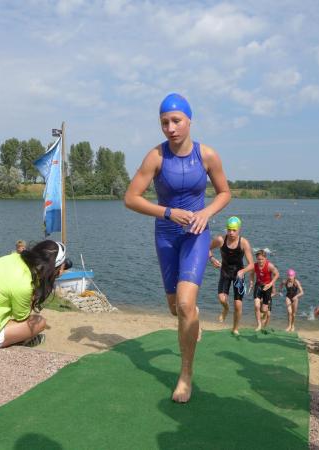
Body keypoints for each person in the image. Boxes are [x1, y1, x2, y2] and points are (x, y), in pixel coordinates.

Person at [124, 93, 231, 403]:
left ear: (189, 120)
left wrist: (206, 213)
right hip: (167, 235)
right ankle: (191, 315)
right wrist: (168, 212)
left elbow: (224, 193)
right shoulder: (156, 157)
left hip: (196, 235)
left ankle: (185, 375)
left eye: (176, 121)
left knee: (184, 304)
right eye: (164, 123)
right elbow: (131, 198)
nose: (170, 128)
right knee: (176, 308)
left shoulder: (207, 155)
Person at [209, 216, 254, 335]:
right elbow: (206, 248)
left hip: (239, 275)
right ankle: (226, 309)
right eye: (229, 229)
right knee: (221, 299)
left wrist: (243, 271)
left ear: (239, 229)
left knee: (238, 305)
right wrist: (212, 259)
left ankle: (235, 328)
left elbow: (251, 265)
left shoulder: (243, 242)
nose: (231, 233)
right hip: (225, 272)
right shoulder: (220, 240)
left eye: (234, 230)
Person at [251, 250, 279, 332]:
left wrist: (271, 284)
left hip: (267, 287)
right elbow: (251, 274)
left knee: (264, 310)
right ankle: (259, 324)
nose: (260, 261)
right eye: (258, 259)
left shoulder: (269, 265)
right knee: (256, 305)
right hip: (258, 285)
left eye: (262, 259)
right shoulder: (255, 265)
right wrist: (251, 282)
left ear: (265, 258)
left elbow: (277, 274)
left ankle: (265, 315)